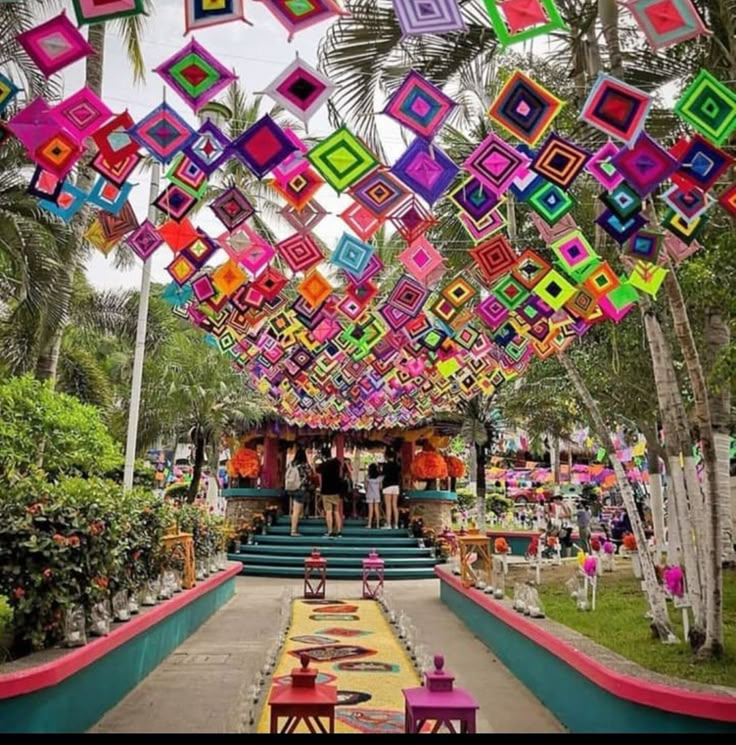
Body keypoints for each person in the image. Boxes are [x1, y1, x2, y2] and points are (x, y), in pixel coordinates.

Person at [285, 447, 314, 537]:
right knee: (296, 511)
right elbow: (310, 475)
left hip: (292, 488)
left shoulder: (291, 464)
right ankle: (293, 530)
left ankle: (296, 526)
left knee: (296, 509)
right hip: (301, 489)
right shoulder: (304, 465)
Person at [317, 446, 345, 538]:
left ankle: (330, 531)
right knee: (336, 511)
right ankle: (339, 531)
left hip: (326, 491)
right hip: (336, 490)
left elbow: (316, 471)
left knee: (328, 512)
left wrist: (315, 460)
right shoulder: (336, 463)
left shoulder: (323, 465)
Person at [381, 448, 401, 529]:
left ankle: (388, 524)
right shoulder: (397, 465)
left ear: (387, 456)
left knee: (388, 505)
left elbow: (383, 474)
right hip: (396, 486)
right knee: (395, 505)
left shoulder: (386, 465)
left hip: (387, 485)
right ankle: (396, 524)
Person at [364, 463, 383, 529]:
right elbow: (380, 487)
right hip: (377, 494)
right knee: (377, 509)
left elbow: (365, 486)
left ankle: (369, 524)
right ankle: (378, 525)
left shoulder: (367, 477)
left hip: (369, 494)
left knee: (370, 510)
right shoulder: (380, 478)